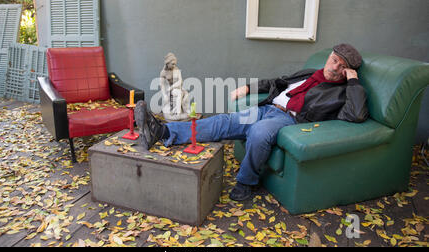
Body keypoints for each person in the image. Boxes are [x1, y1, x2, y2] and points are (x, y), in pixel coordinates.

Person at [135, 44, 369, 201]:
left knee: (259, 133)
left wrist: (354, 82)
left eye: (342, 67)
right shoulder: (310, 73)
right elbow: (277, 82)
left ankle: (246, 184)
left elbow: (357, 115)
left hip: (288, 120)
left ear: (347, 72)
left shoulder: (342, 92)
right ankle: (163, 131)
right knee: (223, 122)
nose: (335, 67)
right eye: (334, 60)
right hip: (266, 107)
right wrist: (247, 87)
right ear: (329, 56)